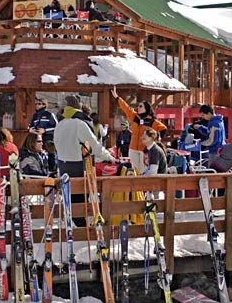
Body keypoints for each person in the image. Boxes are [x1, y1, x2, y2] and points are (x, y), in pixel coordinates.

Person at [54, 95, 116, 226]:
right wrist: (109, 157)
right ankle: (82, 228)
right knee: (82, 198)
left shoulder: (59, 125)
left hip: (63, 166)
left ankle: (75, 225)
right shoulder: (80, 124)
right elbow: (95, 146)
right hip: (79, 166)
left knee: (71, 199)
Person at [111, 86, 167, 173]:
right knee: (135, 170)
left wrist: (156, 140)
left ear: (146, 108)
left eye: (141, 106)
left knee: (143, 170)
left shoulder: (152, 121)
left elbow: (163, 129)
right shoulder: (134, 116)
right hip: (133, 148)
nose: (138, 107)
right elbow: (126, 108)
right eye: (138, 106)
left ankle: (143, 186)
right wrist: (117, 98)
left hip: (143, 150)